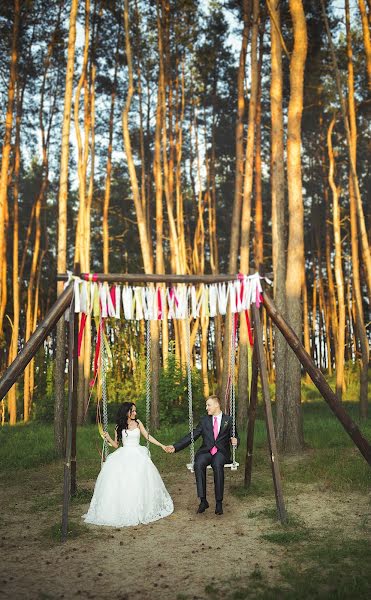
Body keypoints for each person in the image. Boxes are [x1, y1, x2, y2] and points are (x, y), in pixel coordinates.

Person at [83, 402, 173, 527]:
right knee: (123, 482)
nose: (135, 413)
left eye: (135, 411)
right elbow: (116, 445)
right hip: (124, 455)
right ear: (127, 412)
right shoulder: (118, 427)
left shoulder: (138, 423)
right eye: (133, 411)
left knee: (139, 480)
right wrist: (108, 437)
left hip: (138, 454)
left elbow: (147, 436)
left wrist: (162, 445)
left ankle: (140, 507)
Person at [167, 395, 239, 516]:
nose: (206, 408)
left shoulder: (229, 420)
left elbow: (235, 436)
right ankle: (203, 500)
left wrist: (235, 441)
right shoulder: (205, 420)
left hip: (221, 452)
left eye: (208, 405)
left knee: (217, 464)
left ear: (217, 404)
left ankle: (219, 502)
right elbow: (193, 435)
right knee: (198, 463)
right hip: (206, 452)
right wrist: (176, 447)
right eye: (206, 405)